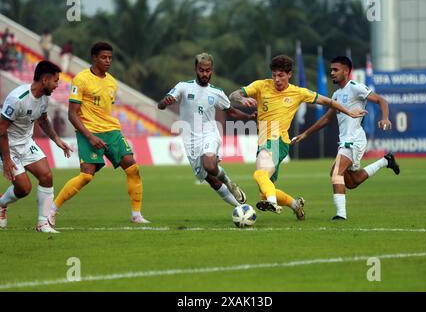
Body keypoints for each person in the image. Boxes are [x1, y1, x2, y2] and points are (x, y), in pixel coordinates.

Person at [230, 55, 367, 220]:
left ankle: (273, 203)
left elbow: (328, 102)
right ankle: (295, 204)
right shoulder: (261, 86)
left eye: (281, 75)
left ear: (289, 74)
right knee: (264, 192)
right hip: (263, 140)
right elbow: (234, 95)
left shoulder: (298, 92)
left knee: (259, 175)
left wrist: (349, 112)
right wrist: (242, 98)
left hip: (277, 140)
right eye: (274, 75)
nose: (277, 79)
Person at [48, 42, 150, 226]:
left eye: (110, 57)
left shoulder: (112, 82)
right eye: (104, 57)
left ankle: (136, 215)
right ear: (94, 58)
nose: (108, 61)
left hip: (111, 131)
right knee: (86, 176)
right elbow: (72, 114)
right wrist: (90, 136)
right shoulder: (81, 79)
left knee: (133, 168)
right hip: (89, 131)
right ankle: (52, 210)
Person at [290, 56, 400, 220]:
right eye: (331, 70)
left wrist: (385, 118)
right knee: (352, 182)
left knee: (336, 173)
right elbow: (327, 118)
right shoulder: (336, 94)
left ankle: (341, 215)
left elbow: (381, 100)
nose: (332, 73)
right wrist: (305, 134)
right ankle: (386, 161)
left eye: (336, 70)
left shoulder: (355, 87)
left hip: (354, 140)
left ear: (346, 71)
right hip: (347, 141)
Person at [158, 53, 257, 208]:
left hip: (210, 133)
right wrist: (165, 101)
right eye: (201, 70)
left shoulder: (216, 92)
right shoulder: (183, 87)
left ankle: (229, 182)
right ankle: (240, 208)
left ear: (212, 70)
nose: (205, 74)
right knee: (212, 180)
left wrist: (249, 118)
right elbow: (161, 105)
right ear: (195, 69)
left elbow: (230, 111)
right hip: (190, 140)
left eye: (208, 70)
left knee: (210, 166)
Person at [0, 61, 72, 233]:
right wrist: (8, 160)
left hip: (26, 143)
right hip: (7, 145)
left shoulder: (44, 98)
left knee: (46, 176)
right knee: (24, 189)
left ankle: (42, 224)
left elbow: (43, 120)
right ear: (45, 80)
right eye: (55, 81)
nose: (57, 85)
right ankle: (2, 204)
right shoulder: (17, 99)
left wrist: (56, 139)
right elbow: (1, 130)